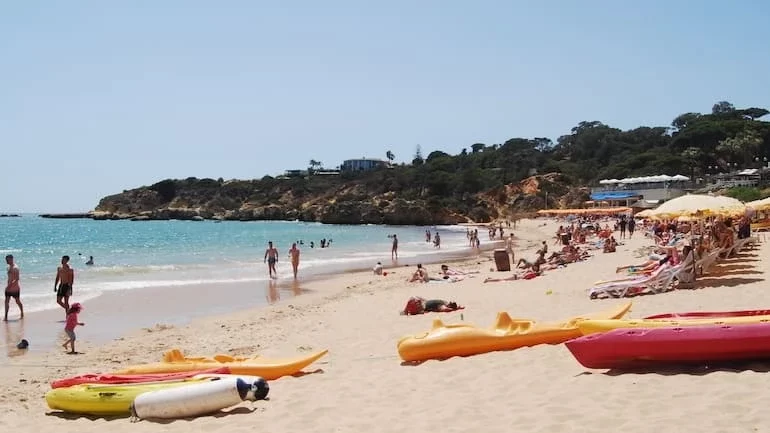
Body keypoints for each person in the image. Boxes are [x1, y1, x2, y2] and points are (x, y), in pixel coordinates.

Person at [4, 255, 23, 322]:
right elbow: (9, 277)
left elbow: (17, 279)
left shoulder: (16, 268)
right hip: (8, 288)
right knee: (6, 301)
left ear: (11, 259)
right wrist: (8, 285)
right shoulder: (8, 267)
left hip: (15, 289)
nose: (6, 261)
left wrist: (9, 286)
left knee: (17, 301)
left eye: (7, 260)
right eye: (6, 259)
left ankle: (22, 312)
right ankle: (6, 317)